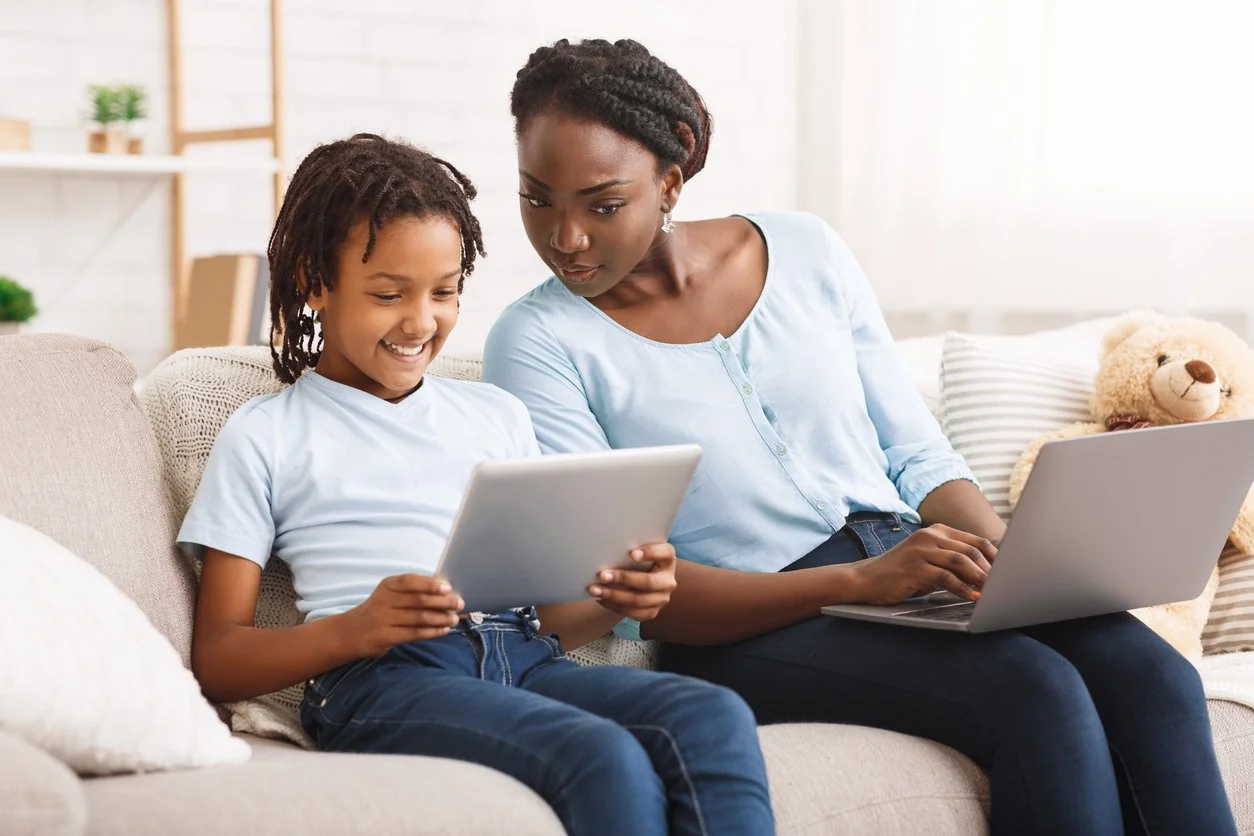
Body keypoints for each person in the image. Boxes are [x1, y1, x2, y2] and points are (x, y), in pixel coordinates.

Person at [483, 38, 1236, 835]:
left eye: (602, 205)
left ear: (670, 181)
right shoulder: (538, 341)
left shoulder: (804, 249)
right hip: (753, 624)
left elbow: (916, 452)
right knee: (1035, 691)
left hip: (908, 566)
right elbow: (627, 592)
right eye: (537, 199)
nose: (565, 237)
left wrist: (1017, 569)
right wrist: (857, 583)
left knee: (1151, 672)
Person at [179, 133, 774, 836]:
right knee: (602, 755)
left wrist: (613, 595)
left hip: (520, 657)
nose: (420, 321)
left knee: (712, 714)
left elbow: (546, 621)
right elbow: (218, 657)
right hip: (384, 679)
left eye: (444, 292)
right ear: (315, 281)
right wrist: (358, 629)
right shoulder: (266, 432)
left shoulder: (494, 414)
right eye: (387, 294)